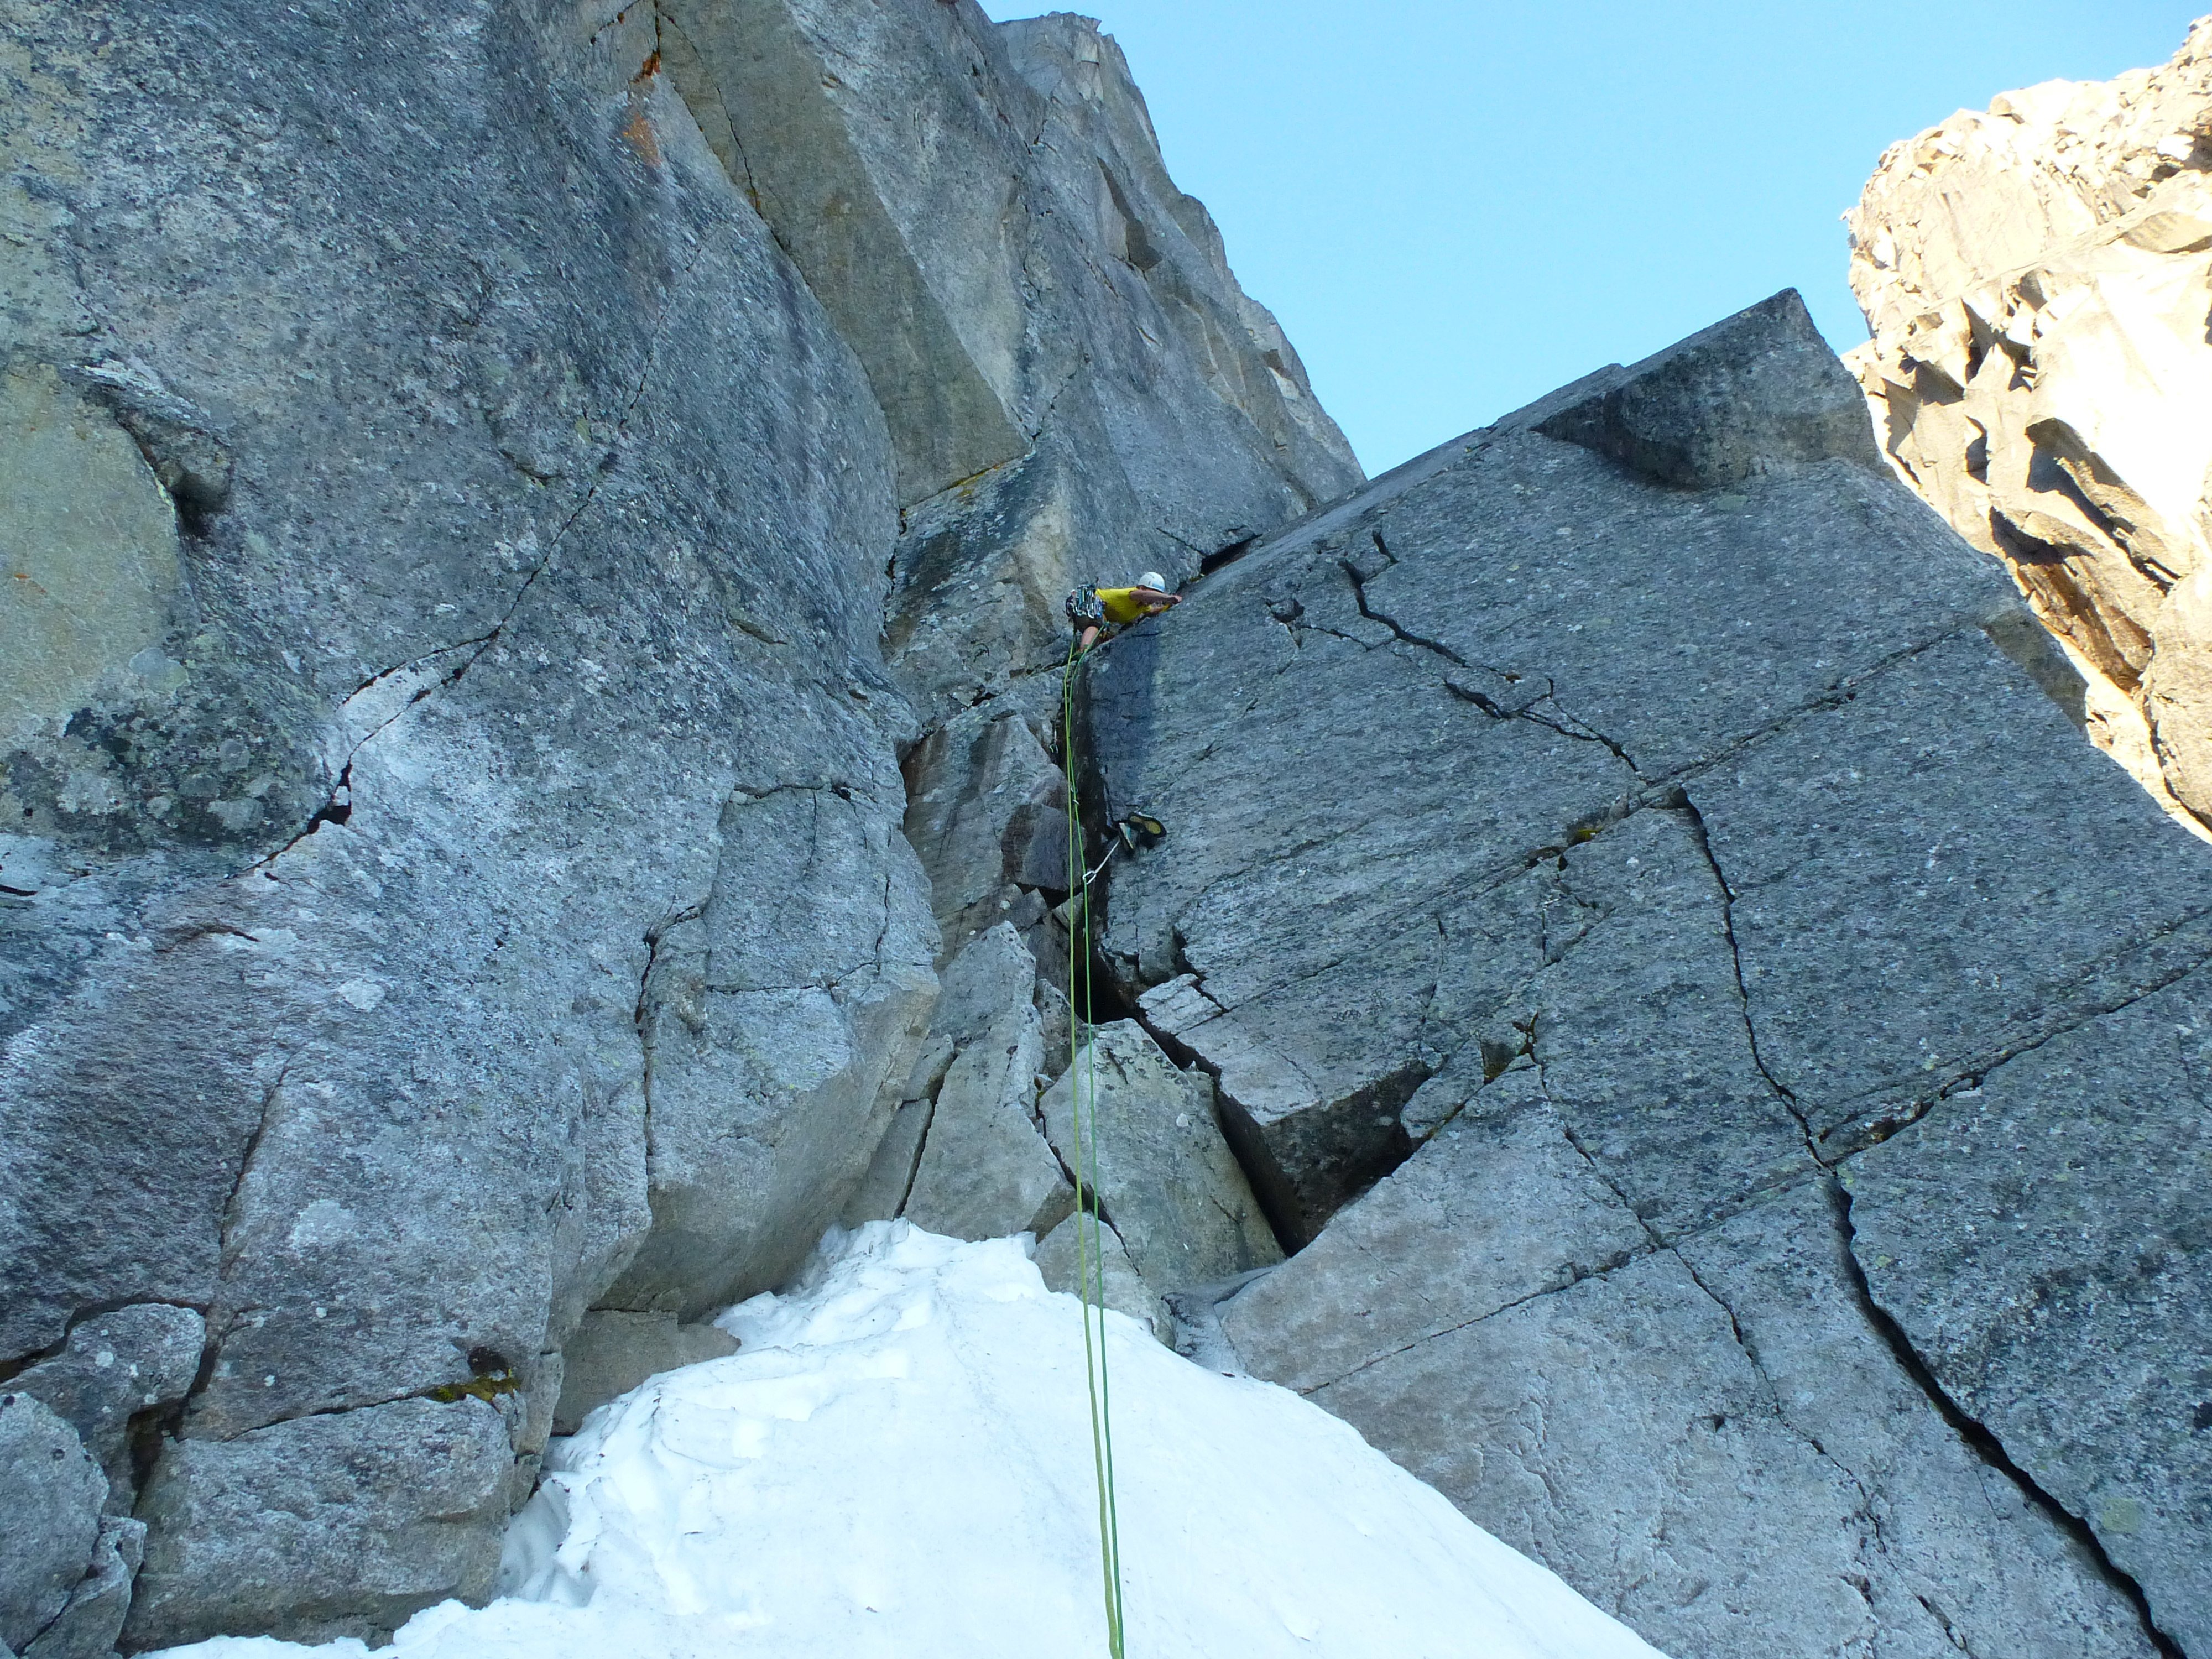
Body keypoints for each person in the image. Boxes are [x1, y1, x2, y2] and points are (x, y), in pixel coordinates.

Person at [1065, 571, 1180, 654]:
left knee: (1104, 633)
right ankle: (1082, 651)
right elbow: (1144, 595)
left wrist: (1169, 605)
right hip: (1091, 604)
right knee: (1096, 624)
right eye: (1154, 594)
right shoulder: (1132, 594)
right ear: (1141, 588)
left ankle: (1085, 648)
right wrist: (1168, 598)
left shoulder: (1143, 607)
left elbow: (1152, 612)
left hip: (1094, 611)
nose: (1153, 600)